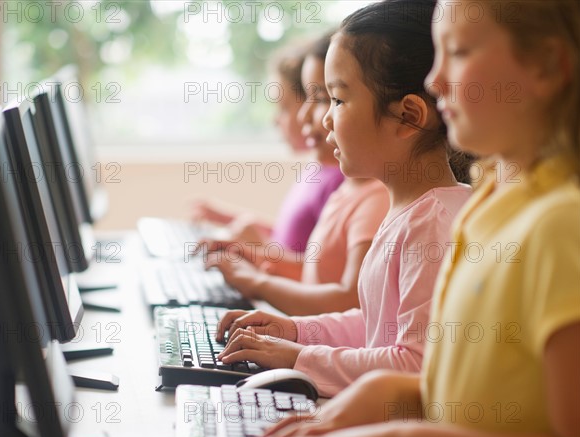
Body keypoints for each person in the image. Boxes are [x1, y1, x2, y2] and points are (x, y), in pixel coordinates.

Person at [253, 1, 580, 437]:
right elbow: (453, 378)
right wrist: (385, 391)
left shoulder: (562, 225)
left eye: (459, 51)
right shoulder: (489, 203)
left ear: (547, 64)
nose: (434, 80)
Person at [215, 0, 472, 396]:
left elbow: (414, 365)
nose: (324, 119)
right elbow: (376, 327)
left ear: (407, 116)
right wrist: (297, 331)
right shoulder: (412, 210)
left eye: (337, 99)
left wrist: (297, 358)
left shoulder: (432, 223)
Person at [205, 34, 391, 316]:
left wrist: (258, 281)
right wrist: (255, 258)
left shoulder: (370, 196)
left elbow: (350, 302)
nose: (311, 116)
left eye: (329, 100)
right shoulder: (348, 189)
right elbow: (317, 271)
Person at [192, 39, 344, 258]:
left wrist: (258, 248)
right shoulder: (316, 169)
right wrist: (229, 220)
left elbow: (320, 271)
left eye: (283, 108)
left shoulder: (340, 180)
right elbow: (291, 240)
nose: (275, 121)